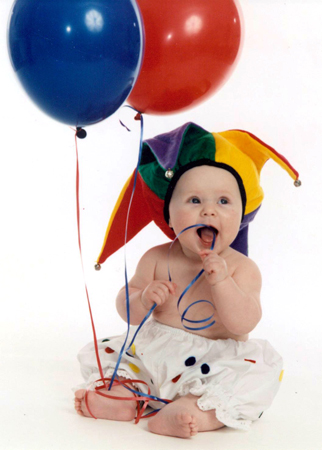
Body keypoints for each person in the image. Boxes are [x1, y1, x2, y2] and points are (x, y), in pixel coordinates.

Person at [73, 123, 300, 438]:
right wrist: (142, 298)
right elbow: (127, 310)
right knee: (113, 356)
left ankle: (199, 411)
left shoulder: (242, 268)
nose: (209, 211)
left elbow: (243, 323)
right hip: (155, 353)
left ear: (242, 216)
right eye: (194, 201)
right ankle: (128, 398)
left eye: (223, 202)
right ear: (169, 215)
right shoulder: (155, 258)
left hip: (216, 362)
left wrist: (222, 283)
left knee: (259, 373)